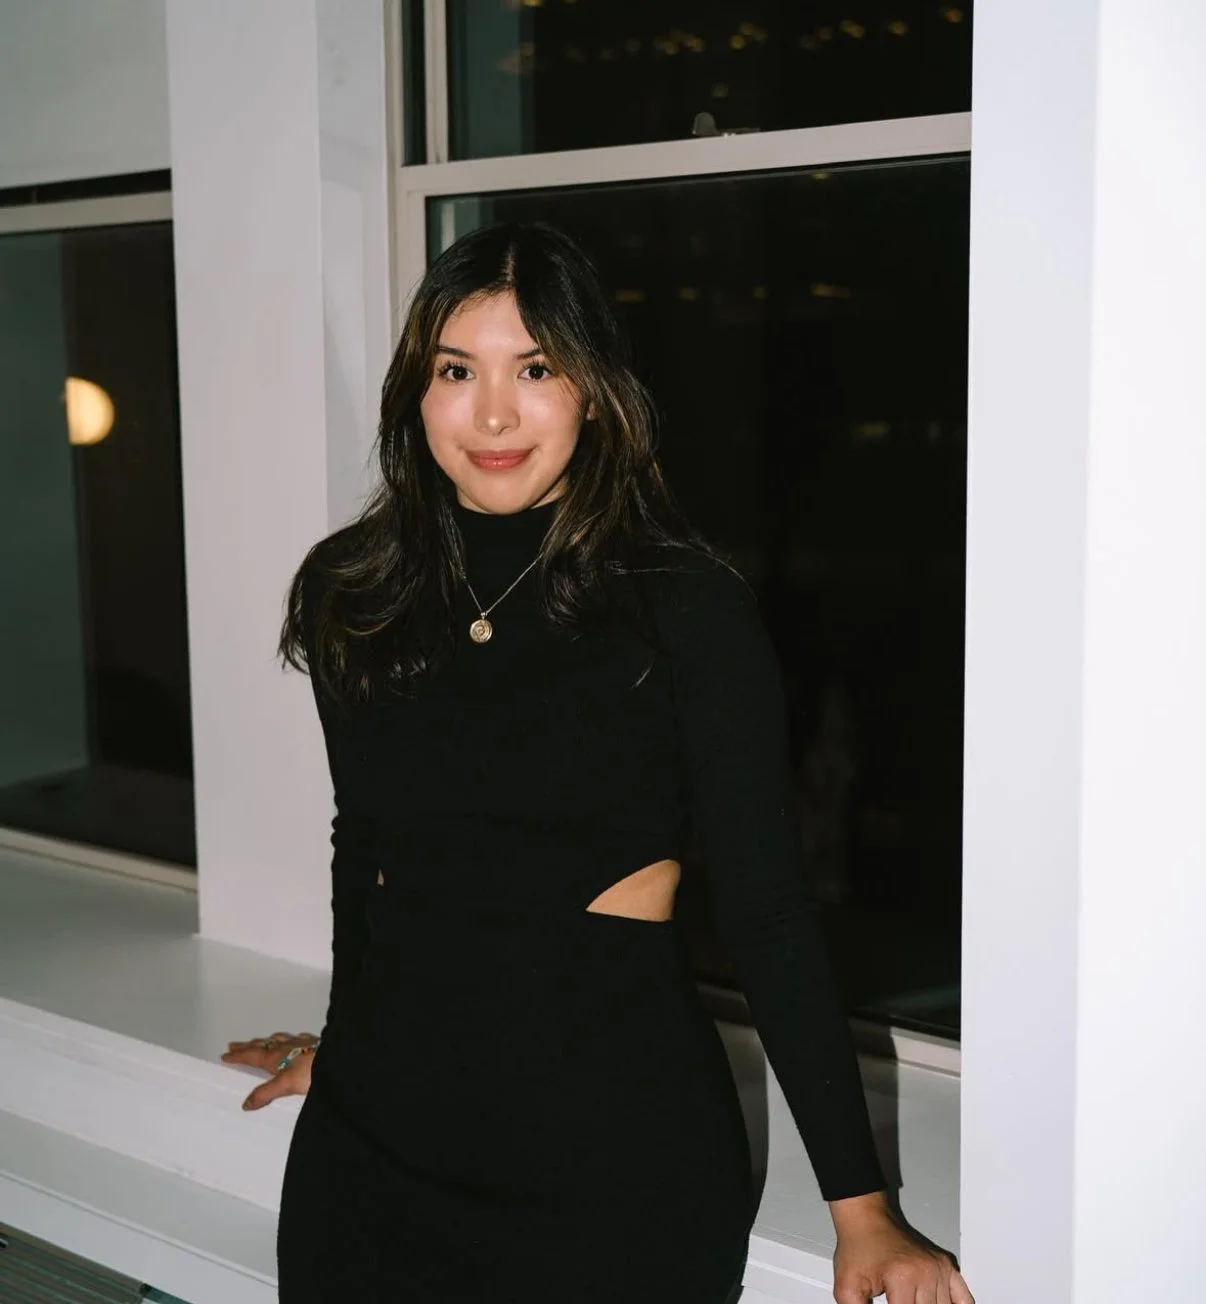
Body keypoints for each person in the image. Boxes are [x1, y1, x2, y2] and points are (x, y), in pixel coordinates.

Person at [221, 221, 975, 1304]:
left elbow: (768, 913)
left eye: (535, 369)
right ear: (415, 393)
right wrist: (346, 1040)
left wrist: (863, 1207)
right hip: (374, 1146)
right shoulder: (357, 588)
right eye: (456, 370)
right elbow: (368, 843)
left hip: (609, 1161)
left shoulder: (684, 607)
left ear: (596, 391)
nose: (492, 413)